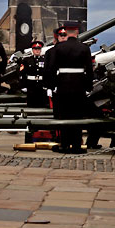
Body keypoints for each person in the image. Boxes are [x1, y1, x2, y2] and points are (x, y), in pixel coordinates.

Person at [45, 25, 93, 153]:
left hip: (63, 85)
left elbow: (51, 69)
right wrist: (88, 87)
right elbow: (89, 69)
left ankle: (65, 144)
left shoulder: (59, 48)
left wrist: (52, 86)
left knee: (64, 115)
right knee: (77, 116)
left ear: (66, 32)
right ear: (77, 32)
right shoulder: (84, 48)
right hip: (79, 86)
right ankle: (77, 146)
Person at [19, 39, 48, 107]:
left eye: (39, 49)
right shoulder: (26, 60)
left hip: (41, 85)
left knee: (42, 104)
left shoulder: (45, 60)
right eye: (35, 49)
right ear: (32, 50)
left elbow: (47, 73)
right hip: (31, 85)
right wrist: (23, 85)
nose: (37, 50)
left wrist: (47, 85)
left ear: (41, 50)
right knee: (31, 104)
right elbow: (22, 74)